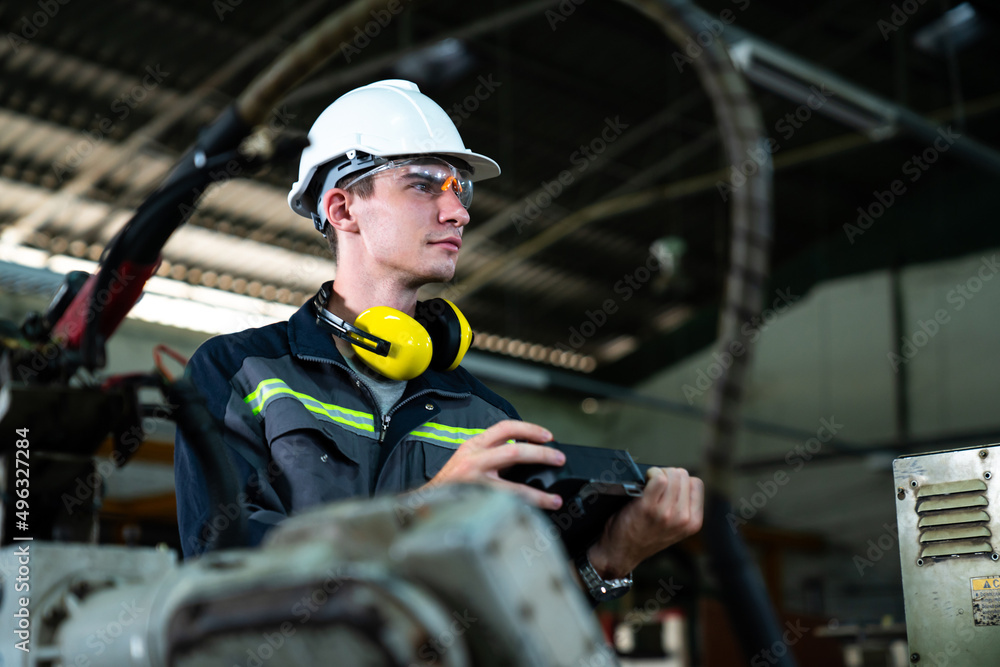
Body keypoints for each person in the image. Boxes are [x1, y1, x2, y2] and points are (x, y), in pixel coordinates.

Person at [174, 80, 703, 603]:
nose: (459, 213)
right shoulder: (237, 372)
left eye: (460, 190)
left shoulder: (486, 417)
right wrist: (419, 511)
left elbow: (517, 615)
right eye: (424, 185)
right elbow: (222, 563)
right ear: (341, 209)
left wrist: (610, 560)